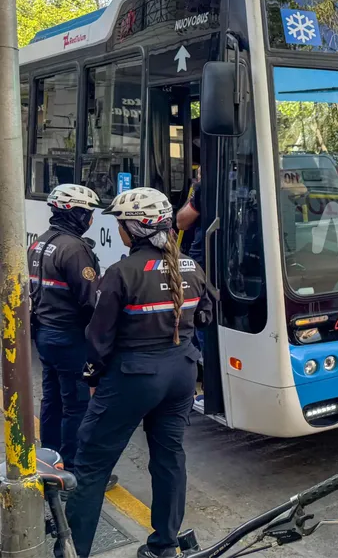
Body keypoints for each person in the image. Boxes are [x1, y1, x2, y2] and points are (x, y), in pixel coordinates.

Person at [67, 187, 214, 558]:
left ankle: (72, 550)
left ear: (133, 229)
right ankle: (164, 547)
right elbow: (208, 315)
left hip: (132, 377)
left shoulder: (121, 274)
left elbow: (98, 341)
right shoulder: (192, 268)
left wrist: (92, 380)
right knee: (169, 458)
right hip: (180, 375)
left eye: (120, 223)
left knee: (91, 465)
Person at [29, 184, 116, 490]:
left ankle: (48, 461)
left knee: (52, 399)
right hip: (68, 337)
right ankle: (74, 470)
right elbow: (91, 300)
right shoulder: (74, 248)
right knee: (77, 404)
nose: (90, 218)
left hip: (44, 333)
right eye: (88, 213)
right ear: (76, 214)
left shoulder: (40, 243)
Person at [176, 167, 204, 356]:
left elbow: (181, 221)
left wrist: (198, 187)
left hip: (203, 260)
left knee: (198, 312)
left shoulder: (204, 188)